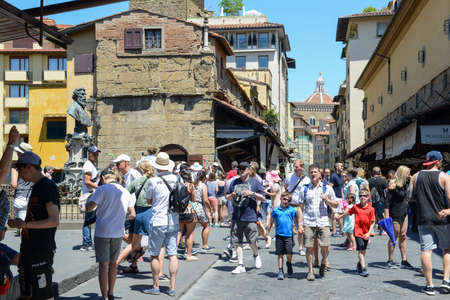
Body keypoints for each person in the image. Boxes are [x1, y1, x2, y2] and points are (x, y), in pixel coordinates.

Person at [8, 151, 60, 300]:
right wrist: (22, 224)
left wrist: (25, 224)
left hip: (40, 249)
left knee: (43, 294)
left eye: (20, 169)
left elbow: (54, 220)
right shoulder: (37, 186)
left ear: (30, 167)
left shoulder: (47, 187)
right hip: (30, 248)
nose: (18, 173)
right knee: (28, 293)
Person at [86, 166, 136, 300]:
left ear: (103, 178)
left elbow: (88, 208)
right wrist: (120, 217)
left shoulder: (101, 189)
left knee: (103, 264)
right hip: (118, 232)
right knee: (113, 263)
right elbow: (132, 214)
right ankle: (111, 292)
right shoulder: (125, 191)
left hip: (102, 231)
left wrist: (91, 197)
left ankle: (104, 297)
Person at [410, 151, 450, 295]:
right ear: (438, 162)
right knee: (446, 250)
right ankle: (446, 281)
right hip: (442, 219)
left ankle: (430, 286)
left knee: (426, 251)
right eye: (441, 161)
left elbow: (411, 197)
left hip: (423, 218)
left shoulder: (416, 176)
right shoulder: (444, 176)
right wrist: (449, 210)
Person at [144, 152, 179, 296]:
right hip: (173, 220)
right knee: (173, 254)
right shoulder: (177, 179)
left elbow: (149, 200)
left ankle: (156, 285)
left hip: (158, 220)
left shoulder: (153, 181)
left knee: (154, 254)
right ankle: (171, 287)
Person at [298, 164, 338, 281]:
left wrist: (327, 199)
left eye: (315, 171)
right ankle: (310, 271)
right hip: (309, 222)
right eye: (311, 172)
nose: (313, 174)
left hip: (323, 221)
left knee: (325, 245)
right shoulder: (304, 188)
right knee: (309, 247)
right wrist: (300, 224)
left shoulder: (327, 188)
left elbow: (336, 204)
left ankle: (323, 261)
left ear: (320, 174)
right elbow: (300, 208)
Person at [226, 162, 265, 274]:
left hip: (250, 216)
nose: (241, 170)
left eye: (243, 168)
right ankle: (240, 265)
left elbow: (263, 197)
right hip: (237, 216)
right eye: (240, 169)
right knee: (236, 241)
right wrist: (231, 195)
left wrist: (252, 193)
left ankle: (256, 255)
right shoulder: (234, 182)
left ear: (248, 170)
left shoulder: (255, 182)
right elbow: (227, 197)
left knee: (252, 240)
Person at [117, 160, 154, 273]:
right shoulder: (155, 181)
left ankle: (117, 263)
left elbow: (124, 193)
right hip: (152, 213)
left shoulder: (137, 181)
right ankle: (159, 273)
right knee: (158, 245)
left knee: (134, 243)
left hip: (139, 212)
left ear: (140, 169)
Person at [337, 189, 375, 277]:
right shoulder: (356, 207)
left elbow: (373, 222)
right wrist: (340, 216)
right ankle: (364, 268)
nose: (362, 197)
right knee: (361, 251)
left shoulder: (371, 209)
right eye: (360, 195)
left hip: (366, 233)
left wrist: (369, 232)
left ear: (368, 197)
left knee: (363, 250)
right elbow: (348, 212)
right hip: (358, 232)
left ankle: (359, 264)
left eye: (364, 196)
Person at [384, 165, 414, 270]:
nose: (409, 175)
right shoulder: (393, 185)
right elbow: (387, 203)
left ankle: (404, 260)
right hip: (394, 214)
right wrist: (387, 218)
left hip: (404, 213)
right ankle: (390, 260)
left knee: (403, 235)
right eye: (408, 173)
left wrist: (410, 182)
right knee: (394, 236)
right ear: (402, 173)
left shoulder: (406, 184)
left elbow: (409, 196)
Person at [267, 192, 299, 280]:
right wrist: (267, 232)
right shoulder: (276, 210)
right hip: (279, 235)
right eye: (284, 199)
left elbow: (295, 221)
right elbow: (271, 221)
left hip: (289, 235)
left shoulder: (292, 210)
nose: (286, 202)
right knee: (280, 254)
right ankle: (280, 270)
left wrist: (298, 227)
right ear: (281, 198)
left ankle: (289, 263)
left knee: (289, 253)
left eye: (288, 201)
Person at [284, 159, 311, 256]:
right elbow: (285, 187)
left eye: (296, 167)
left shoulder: (307, 180)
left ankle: (300, 248)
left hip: (300, 207)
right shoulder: (289, 177)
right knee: (288, 226)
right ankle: (291, 241)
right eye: (294, 167)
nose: (294, 169)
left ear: (302, 167)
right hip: (290, 206)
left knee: (300, 228)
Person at [80, 146, 101, 251]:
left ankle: (88, 242)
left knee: (91, 219)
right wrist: (100, 187)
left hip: (92, 194)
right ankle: (86, 243)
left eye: (97, 153)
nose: (96, 155)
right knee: (88, 220)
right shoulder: (88, 165)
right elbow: (87, 182)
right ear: (89, 153)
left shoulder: (91, 165)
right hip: (89, 195)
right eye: (94, 153)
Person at [10, 143, 34, 236]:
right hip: (33, 198)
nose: (17, 153)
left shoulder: (16, 166)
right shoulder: (35, 166)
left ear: (20, 154)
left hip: (21, 198)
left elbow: (14, 184)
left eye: (18, 152)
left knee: (22, 226)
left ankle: (25, 249)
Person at [177, 167, 198, 261]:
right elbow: (194, 199)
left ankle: (172, 254)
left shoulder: (177, 185)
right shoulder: (190, 186)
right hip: (189, 210)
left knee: (179, 232)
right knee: (189, 234)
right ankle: (188, 255)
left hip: (179, 211)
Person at [192, 171, 214, 252]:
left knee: (190, 228)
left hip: (190, 205)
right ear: (204, 177)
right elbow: (205, 199)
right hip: (199, 206)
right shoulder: (203, 185)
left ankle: (188, 248)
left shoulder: (193, 184)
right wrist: (209, 208)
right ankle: (205, 245)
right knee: (206, 225)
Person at [368, 166, 388, 235]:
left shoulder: (369, 180)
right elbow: (386, 191)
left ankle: (372, 230)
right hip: (381, 200)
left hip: (372, 200)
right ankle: (382, 230)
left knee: (372, 215)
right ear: (379, 172)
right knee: (380, 215)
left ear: (372, 172)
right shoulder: (383, 180)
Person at [329, 163, 345, 237]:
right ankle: (334, 231)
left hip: (340, 198)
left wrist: (343, 199)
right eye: (340, 166)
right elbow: (330, 187)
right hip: (335, 198)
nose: (342, 167)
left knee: (341, 214)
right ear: (336, 167)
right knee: (335, 215)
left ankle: (341, 231)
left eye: (342, 166)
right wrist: (331, 199)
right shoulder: (333, 176)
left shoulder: (341, 176)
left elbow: (341, 188)